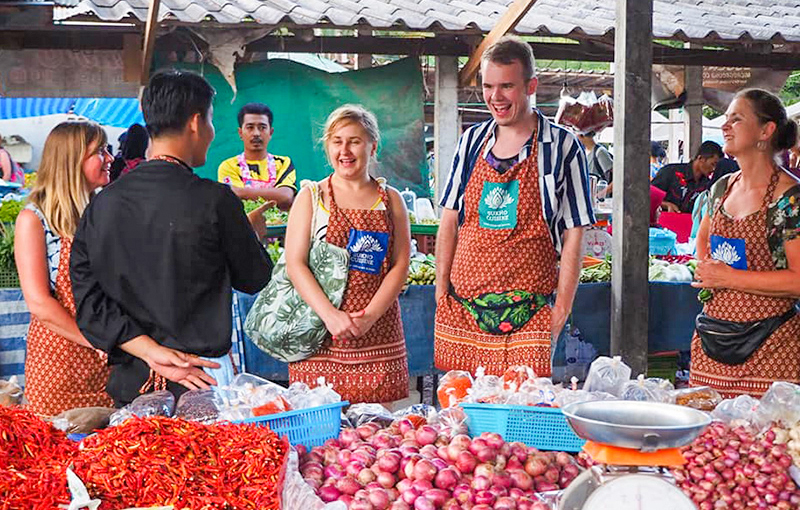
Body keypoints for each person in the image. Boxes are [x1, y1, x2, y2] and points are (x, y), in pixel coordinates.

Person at [70, 70, 273, 407]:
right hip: (202, 384)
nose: (211, 131)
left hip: (134, 385)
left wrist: (152, 352)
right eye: (210, 120)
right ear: (195, 122)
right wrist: (252, 235)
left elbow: (89, 303)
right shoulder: (215, 200)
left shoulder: (102, 204)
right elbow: (255, 279)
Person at [434, 36, 594, 377]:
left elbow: (575, 232)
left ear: (531, 85)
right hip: (463, 310)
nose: (496, 97)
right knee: (460, 420)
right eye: (489, 86)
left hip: (530, 314)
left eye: (507, 86)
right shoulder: (471, 141)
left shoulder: (563, 147)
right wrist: (440, 292)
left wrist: (562, 308)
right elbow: (449, 217)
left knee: (520, 417)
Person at [284, 104, 411, 403]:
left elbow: (400, 264)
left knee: (378, 435)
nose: (345, 150)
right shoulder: (311, 196)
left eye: (354, 141)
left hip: (379, 336)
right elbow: (295, 263)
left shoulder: (391, 201)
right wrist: (330, 316)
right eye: (337, 141)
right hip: (320, 336)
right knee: (321, 434)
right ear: (327, 146)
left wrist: (369, 316)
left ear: (372, 145)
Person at [691, 88, 800, 398]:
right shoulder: (722, 187)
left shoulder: (789, 199)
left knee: (762, 441)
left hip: (771, 347)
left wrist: (729, 278)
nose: (725, 126)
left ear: (766, 131)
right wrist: (708, 271)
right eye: (726, 119)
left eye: (736, 119)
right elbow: (703, 240)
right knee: (706, 441)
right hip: (712, 341)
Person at [15, 121, 114, 416]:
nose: (110, 158)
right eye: (101, 151)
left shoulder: (103, 211)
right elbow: (40, 303)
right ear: (72, 160)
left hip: (108, 362)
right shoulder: (34, 220)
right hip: (58, 366)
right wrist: (92, 341)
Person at [218, 103, 297, 210]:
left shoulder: (284, 163)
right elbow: (231, 201)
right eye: (250, 127)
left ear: (271, 132)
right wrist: (274, 195)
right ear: (240, 133)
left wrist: (240, 192)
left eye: (262, 127)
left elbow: (285, 196)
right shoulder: (228, 166)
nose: (256, 133)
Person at [652, 141, 723, 213]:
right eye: (713, 164)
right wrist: (666, 205)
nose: (714, 169)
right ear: (701, 158)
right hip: (665, 220)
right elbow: (649, 196)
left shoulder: (707, 185)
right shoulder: (670, 172)